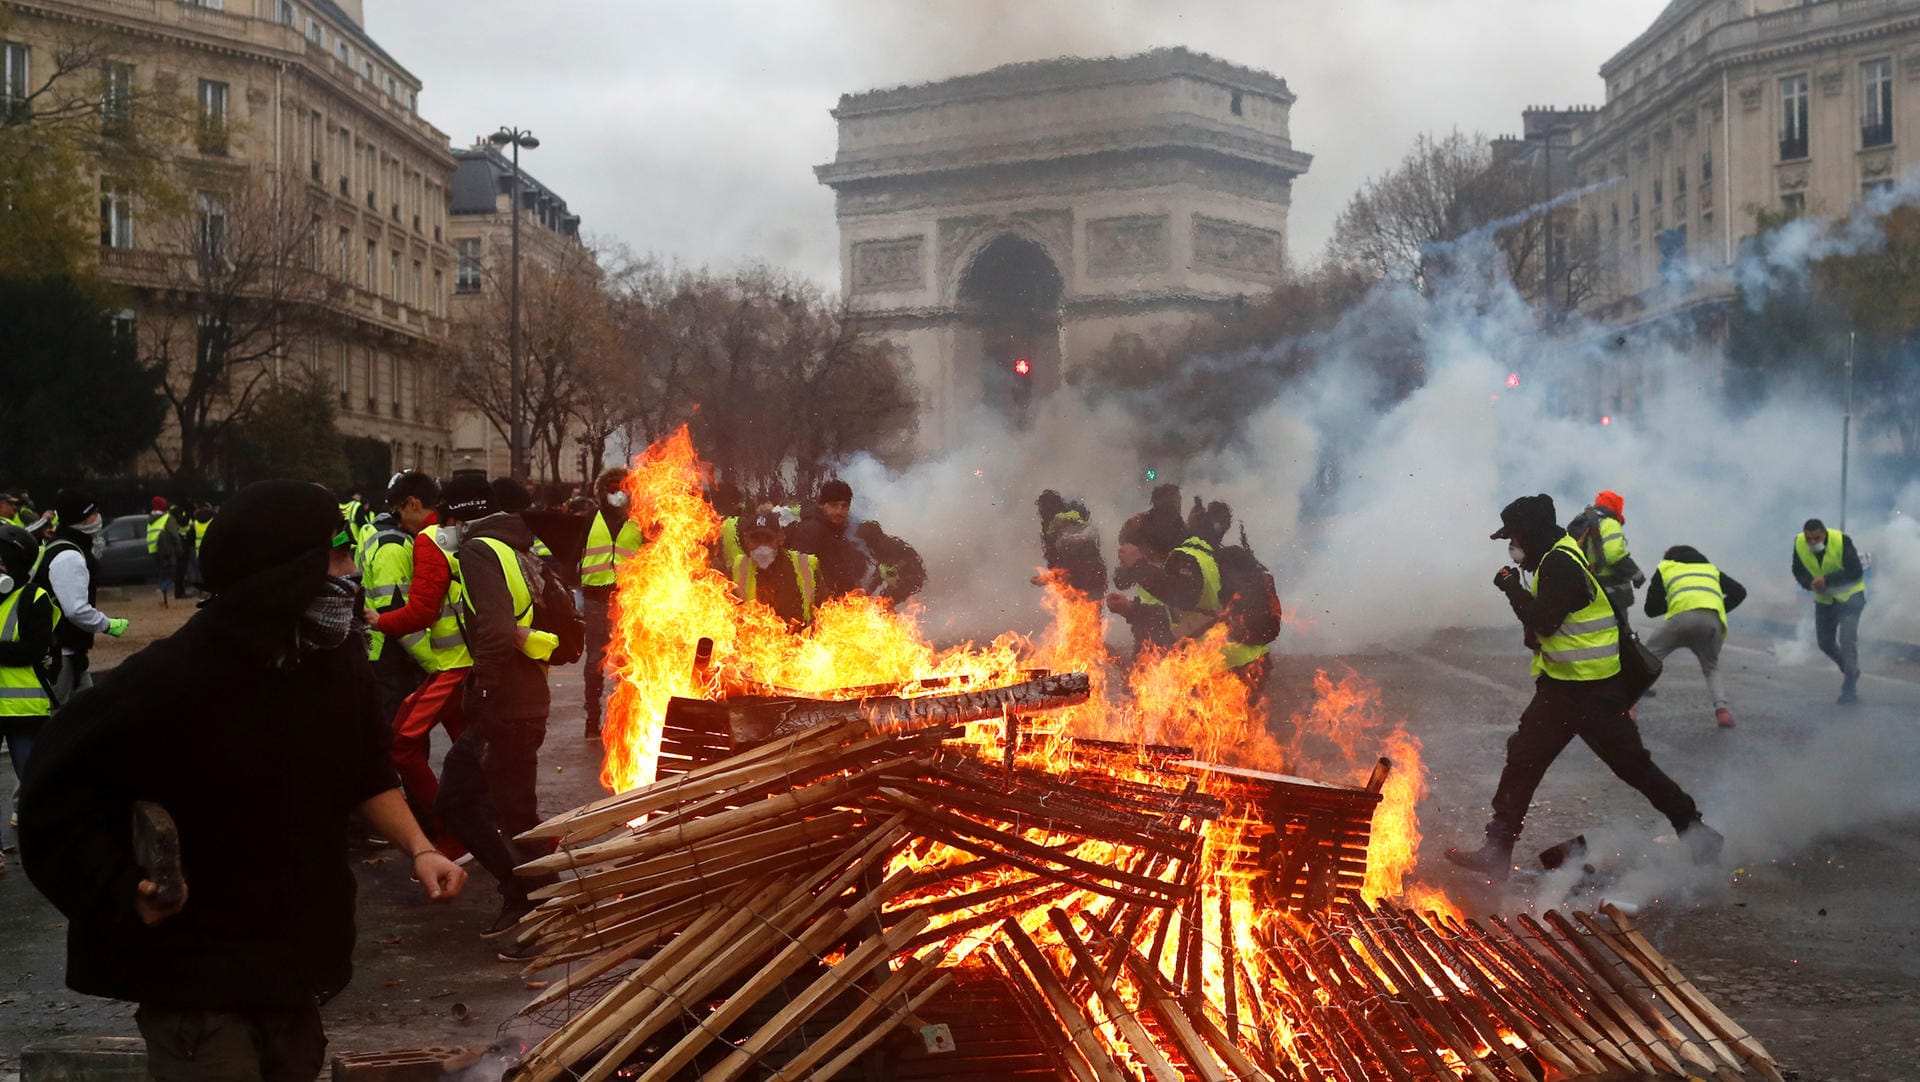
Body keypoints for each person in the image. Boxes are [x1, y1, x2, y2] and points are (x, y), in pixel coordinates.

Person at [19, 480, 466, 1082]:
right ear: (287, 571)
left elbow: (364, 770)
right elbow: (53, 797)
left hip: (296, 973)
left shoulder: (334, 661)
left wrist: (421, 848)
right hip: (200, 985)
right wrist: (119, 894)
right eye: (336, 551)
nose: (351, 569)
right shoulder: (173, 680)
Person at [1445, 493, 1721, 882]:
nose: (1513, 547)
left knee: (1633, 767)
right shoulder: (1555, 557)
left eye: (1516, 538)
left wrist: (1510, 588)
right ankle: (1497, 848)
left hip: (1593, 694)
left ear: (1531, 533)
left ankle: (1696, 832)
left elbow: (1545, 620)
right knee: (1523, 758)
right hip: (1563, 689)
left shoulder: (1559, 562)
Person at [439, 478, 575, 949]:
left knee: (505, 811)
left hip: (508, 706)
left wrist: (483, 688)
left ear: (459, 516)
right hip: (522, 702)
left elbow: (495, 631)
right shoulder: (517, 546)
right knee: (496, 806)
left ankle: (539, 909)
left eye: (448, 519)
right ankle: (530, 897)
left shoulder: (479, 551)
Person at [370, 480, 474, 856]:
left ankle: (453, 832)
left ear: (412, 503)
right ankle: (489, 826)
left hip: (452, 668)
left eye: (398, 512)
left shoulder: (429, 540)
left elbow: (423, 611)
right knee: (475, 754)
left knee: (402, 745)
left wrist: (377, 620)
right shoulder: (454, 534)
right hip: (465, 664)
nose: (397, 521)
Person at [34, 492, 128, 704]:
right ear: (82, 519)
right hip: (61, 653)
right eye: (93, 513)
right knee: (55, 716)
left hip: (70, 650)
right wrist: (107, 624)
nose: (98, 517)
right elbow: (75, 610)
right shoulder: (69, 555)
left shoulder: (67, 546)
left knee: (87, 711)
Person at [0, 524, 57, 868]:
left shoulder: (33, 597)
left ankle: (53, 844)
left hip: (24, 708)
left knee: (36, 785)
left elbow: (34, 649)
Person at [362, 471, 438, 728]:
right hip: (394, 660)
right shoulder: (394, 546)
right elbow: (398, 615)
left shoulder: (376, 533)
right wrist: (434, 664)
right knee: (402, 739)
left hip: (382, 654)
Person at [1643, 545, 1747, 728]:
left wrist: (1676, 602)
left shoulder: (1666, 567)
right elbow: (1739, 592)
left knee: (1644, 661)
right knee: (1711, 668)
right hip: (1711, 621)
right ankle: (1722, 711)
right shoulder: (1709, 569)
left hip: (1680, 620)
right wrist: (1718, 608)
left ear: (1669, 558)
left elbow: (1650, 609)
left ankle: (1630, 709)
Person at [578, 467, 642, 741]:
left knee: (628, 661)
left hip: (630, 599)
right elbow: (573, 553)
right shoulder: (589, 519)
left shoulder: (639, 522)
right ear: (603, 492)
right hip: (596, 599)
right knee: (595, 660)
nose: (618, 494)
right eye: (612, 489)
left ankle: (625, 719)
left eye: (623, 488)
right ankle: (593, 719)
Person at [1792, 518, 1866, 704]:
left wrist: (1827, 580)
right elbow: (1797, 569)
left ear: (1824, 533)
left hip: (1850, 597)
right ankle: (1850, 670)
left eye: (1816, 538)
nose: (1812, 542)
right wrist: (1809, 583)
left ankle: (1849, 686)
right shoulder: (1799, 542)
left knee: (1847, 641)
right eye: (1809, 538)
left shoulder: (1841, 541)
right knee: (1825, 643)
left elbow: (1856, 571)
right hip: (1825, 599)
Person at [732, 510, 820, 628]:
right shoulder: (739, 567)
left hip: (799, 641)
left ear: (780, 538)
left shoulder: (806, 565)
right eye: (755, 539)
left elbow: (824, 612)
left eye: (768, 539)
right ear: (746, 540)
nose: (762, 547)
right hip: (753, 642)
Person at [788, 479, 870, 601]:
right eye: (834, 505)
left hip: (836, 607)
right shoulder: (811, 529)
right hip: (816, 608)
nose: (839, 511)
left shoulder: (837, 532)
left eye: (844, 506)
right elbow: (799, 574)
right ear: (822, 505)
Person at [1105, 514, 1174, 659]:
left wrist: (1131, 609)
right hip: (1147, 644)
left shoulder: (1172, 568)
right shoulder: (1143, 569)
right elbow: (1121, 582)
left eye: (1129, 548)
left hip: (1168, 651)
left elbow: (1170, 616)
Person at [1577, 489, 1646, 618]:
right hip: (1612, 592)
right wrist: (1637, 575)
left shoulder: (1585, 522)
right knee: (1620, 634)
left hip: (1589, 589)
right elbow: (1614, 554)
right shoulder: (1609, 523)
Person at [1033, 490, 1107, 597]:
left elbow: (1062, 564)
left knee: (1081, 608)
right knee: (1091, 607)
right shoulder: (1082, 523)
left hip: (1077, 583)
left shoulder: (1053, 530)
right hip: (1096, 576)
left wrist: (1050, 578)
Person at [854, 519, 926, 606]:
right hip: (905, 579)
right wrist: (867, 590)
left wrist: (868, 589)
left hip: (910, 580)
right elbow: (881, 571)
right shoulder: (882, 545)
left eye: (865, 539)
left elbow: (884, 571)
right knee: (882, 603)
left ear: (870, 537)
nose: (865, 543)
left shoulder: (886, 546)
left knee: (884, 604)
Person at [145, 497, 184, 606]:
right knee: (172, 573)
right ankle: (163, 589)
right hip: (166, 550)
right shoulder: (167, 518)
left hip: (153, 550)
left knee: (162, 573)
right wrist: (179, 547)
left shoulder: (150, 519)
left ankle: (164, 596)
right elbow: (174, 534)